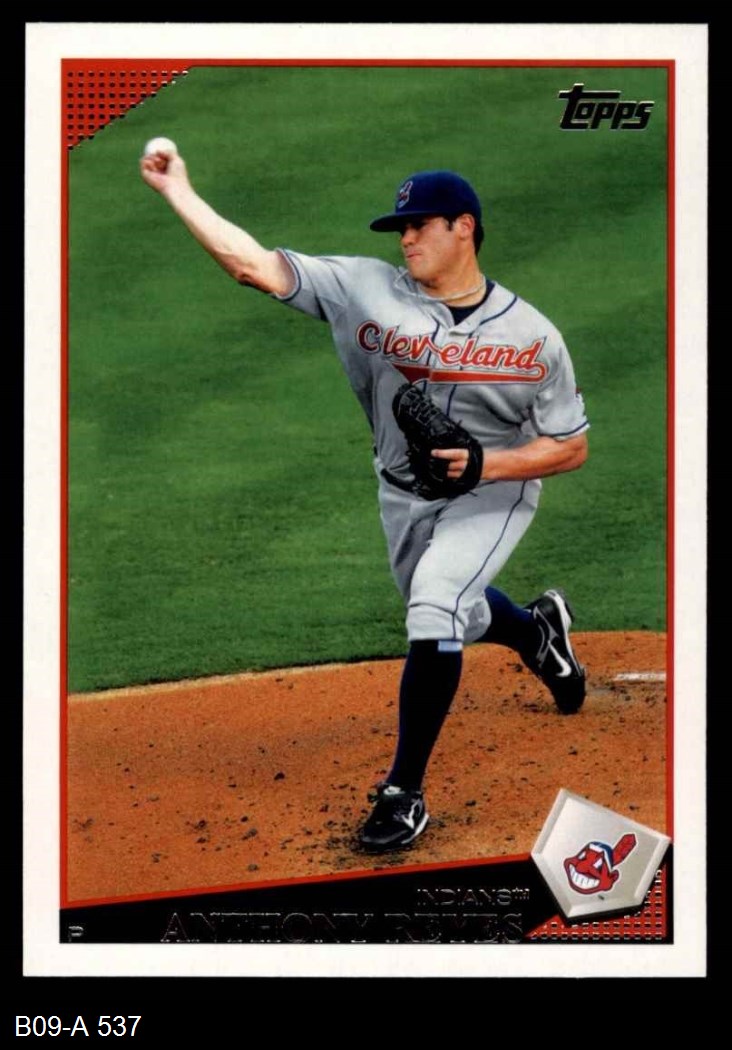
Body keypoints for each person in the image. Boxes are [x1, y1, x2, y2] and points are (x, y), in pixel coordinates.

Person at [140, 150, 590, 853]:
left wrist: (487, 462)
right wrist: (179, 190)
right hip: (401, 492)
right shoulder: (363, 289)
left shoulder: (532, 336)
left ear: (463, 227)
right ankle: (535, 632)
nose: (405, 239)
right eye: (399, 228)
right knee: (458, 612)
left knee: (435, 606)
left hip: (493, 492)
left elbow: (569, 445)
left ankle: (403, 793)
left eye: (419, 225)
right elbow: (252, 265)